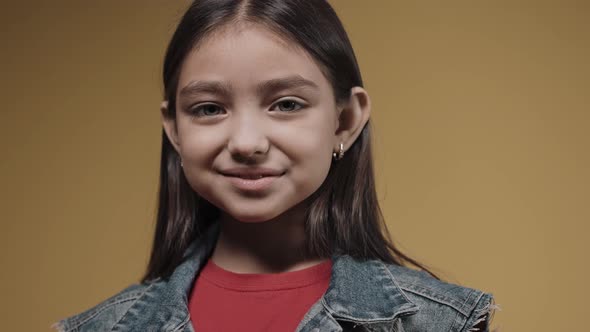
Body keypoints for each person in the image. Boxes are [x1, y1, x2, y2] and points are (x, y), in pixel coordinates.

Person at [53, 1, 496, 331]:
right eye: (209, 109)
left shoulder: (438, 322)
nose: (247, 143)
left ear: (345, 119)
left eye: (286, 104)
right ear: (174, 128)